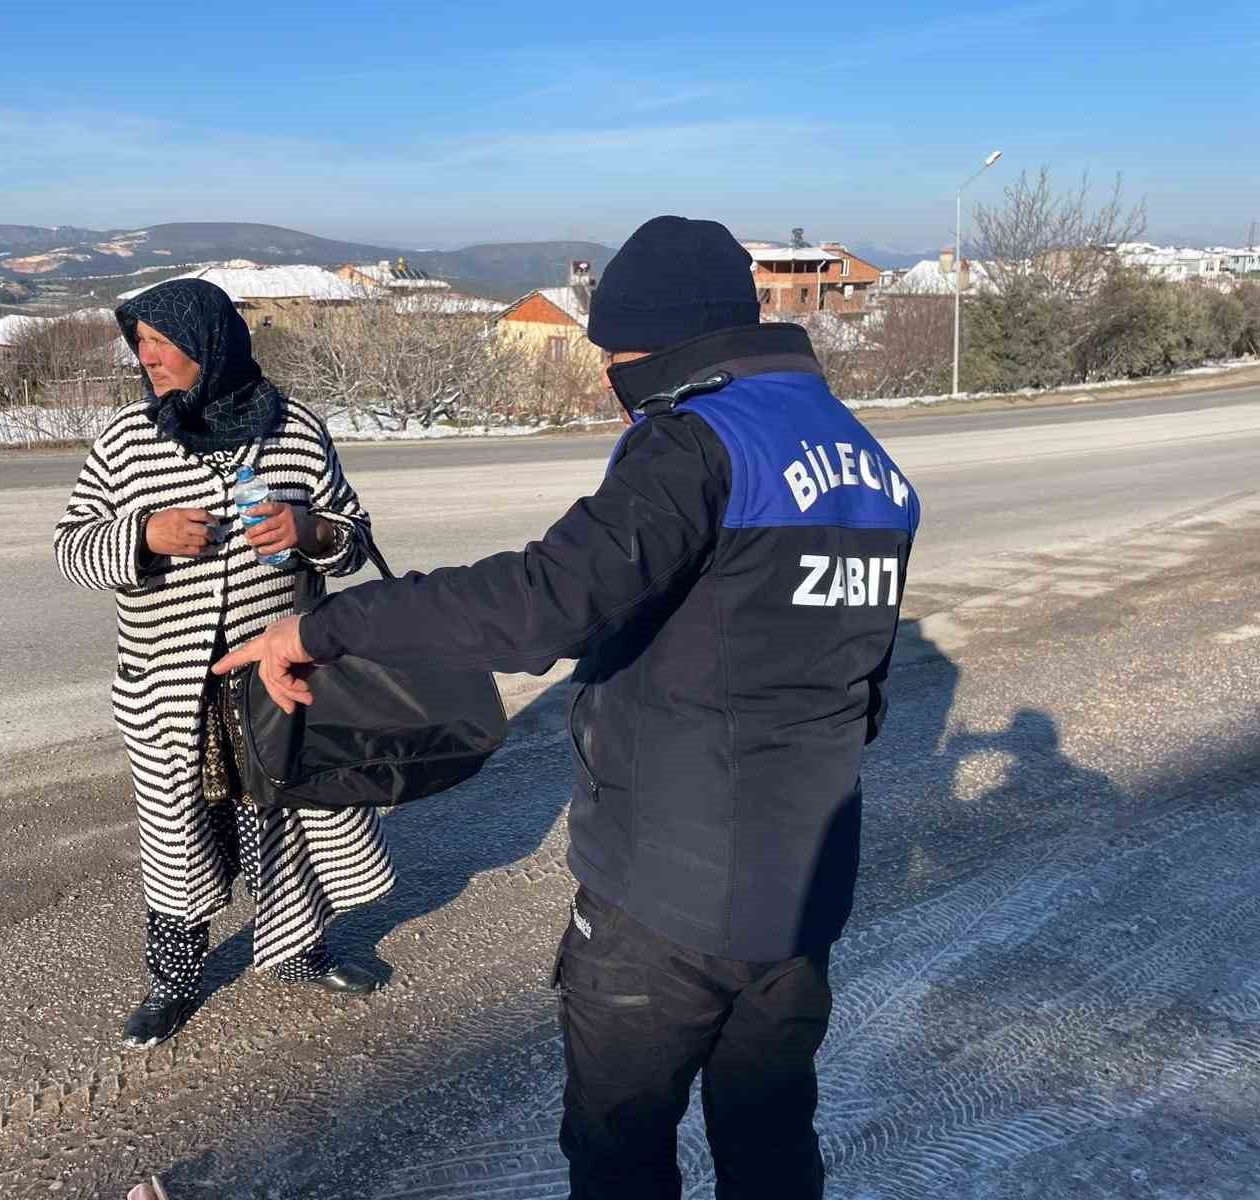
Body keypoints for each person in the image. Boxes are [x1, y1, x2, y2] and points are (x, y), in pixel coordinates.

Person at [216, 217, 921, 1198]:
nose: (605, 379)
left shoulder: (696, 439)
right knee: (768, 1142)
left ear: (661, 342)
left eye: (615, 355)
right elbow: (864, 689)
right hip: (799, 891)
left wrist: (327, 628)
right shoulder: (868, 465)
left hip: (664, 894)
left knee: (619, 1149)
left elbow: (542, 605)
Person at [55, 278, 394, 1050]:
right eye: (138, 343)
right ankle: (173, 981)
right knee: (181, 837)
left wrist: (309, 530)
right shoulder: (125, 443)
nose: (147, 359)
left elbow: (354, 536)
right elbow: (70, 549)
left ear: (212, 344)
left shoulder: (296, 432)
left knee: (286, 824)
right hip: (169, 693)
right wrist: (140, 537)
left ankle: (299, 951)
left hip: (274, 685)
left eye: (162, 343)